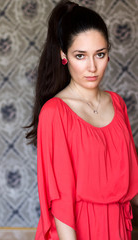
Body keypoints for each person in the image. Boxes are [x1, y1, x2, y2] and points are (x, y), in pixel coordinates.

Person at [26, 0, 138, 239]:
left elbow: (129, 180)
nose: (92, 67)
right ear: (63, 55)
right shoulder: (55, 112)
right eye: (80, 55)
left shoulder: (117, 103)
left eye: (100, 54)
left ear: (108, 52)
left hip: (118, 226)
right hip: (77, 230)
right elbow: (62, 201)